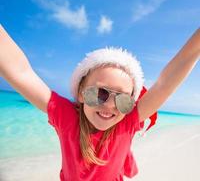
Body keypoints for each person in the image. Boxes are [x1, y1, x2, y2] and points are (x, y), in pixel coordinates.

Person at [0, 24, 199, 181]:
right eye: (100, 93)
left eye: (123, 99)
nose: (111, 105)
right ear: (80, 93)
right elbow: (20, 72)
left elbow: (165, 84)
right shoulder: (67, 118)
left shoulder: (127, 121)